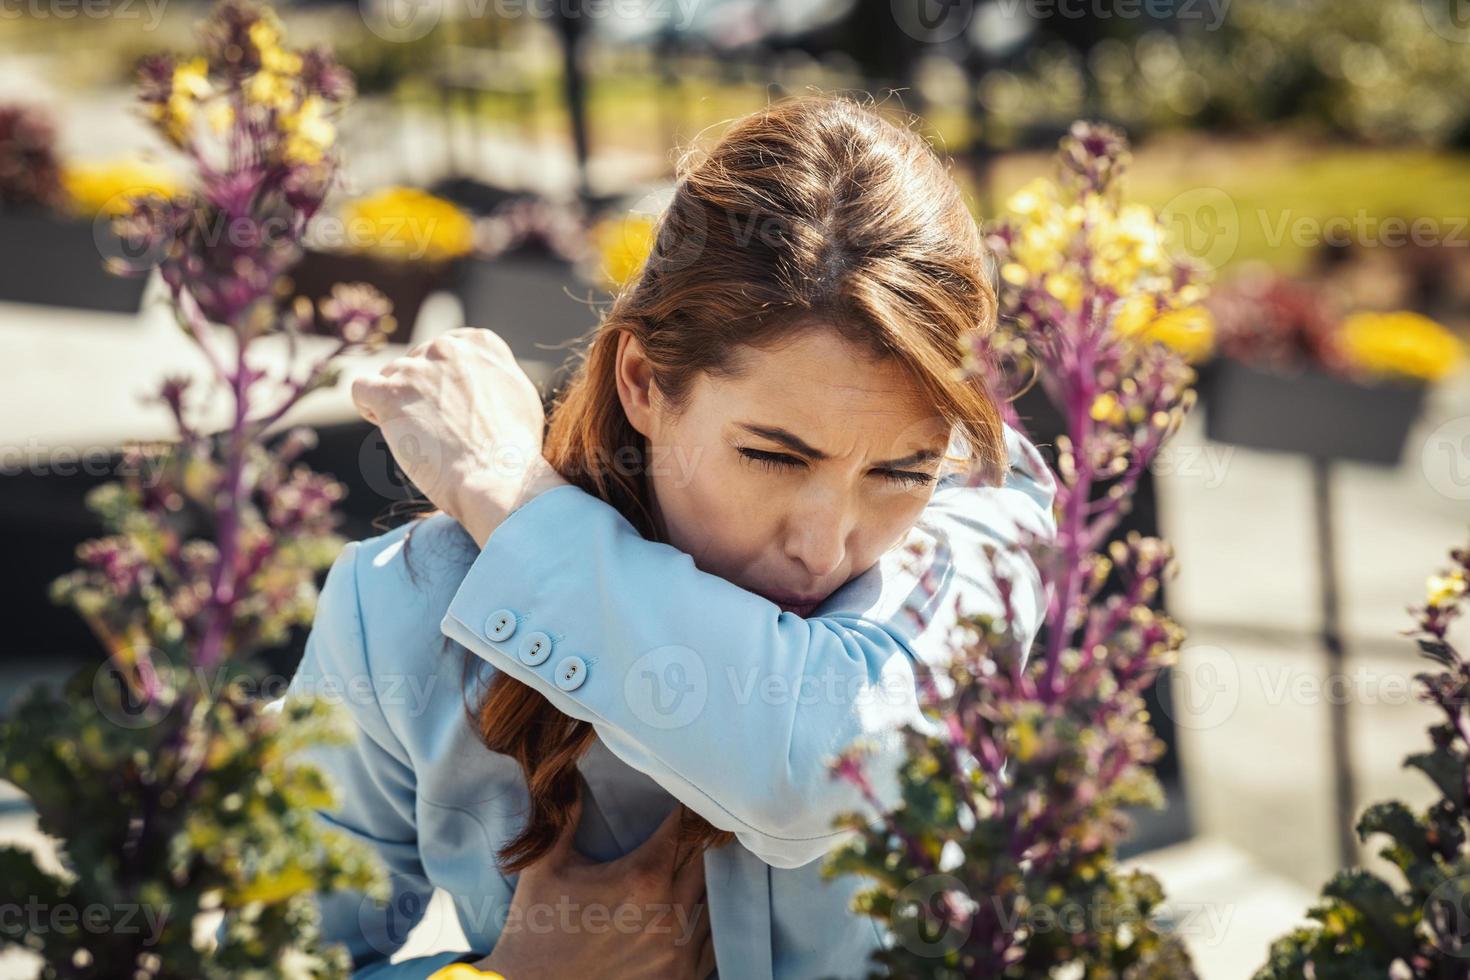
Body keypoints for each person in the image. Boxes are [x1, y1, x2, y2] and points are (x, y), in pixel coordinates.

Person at [289, 94, 1056, 978]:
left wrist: (508, 494)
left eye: (899, 472)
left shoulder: (986, 528)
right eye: (773, 456)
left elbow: (815, 769)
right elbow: (266, 958)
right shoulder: (404, 609)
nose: (824, 543)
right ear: (646, 382)